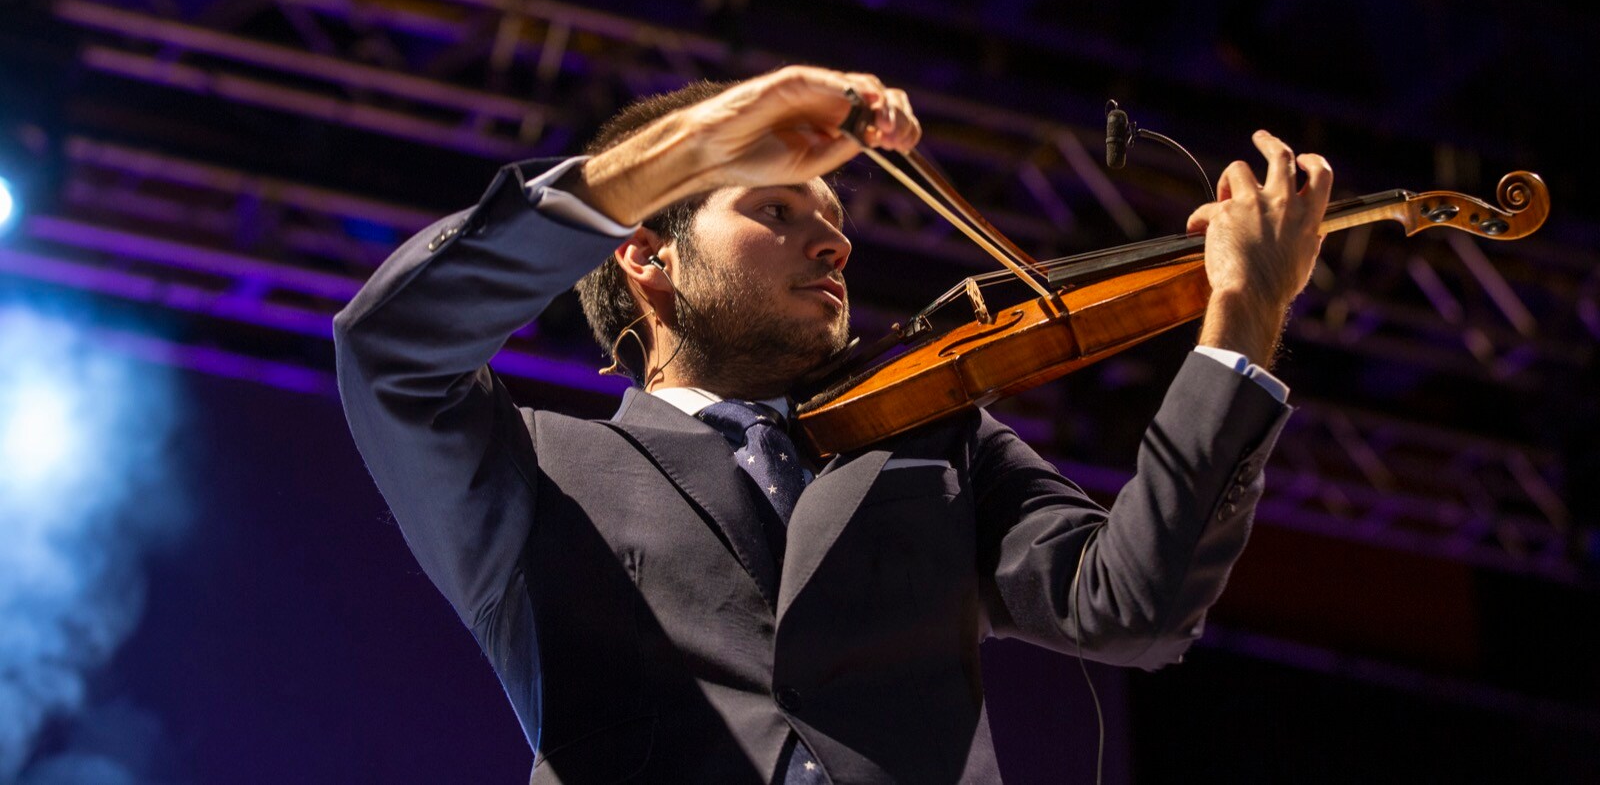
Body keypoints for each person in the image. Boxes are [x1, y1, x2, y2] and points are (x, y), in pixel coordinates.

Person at [333, 66, 1331, 784]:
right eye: (773, 207)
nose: (832, 239)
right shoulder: (537, 470)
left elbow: (1130, 603)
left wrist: (1243, 314)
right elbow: (393, 344)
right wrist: (692, 144)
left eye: (834, 221)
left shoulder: (936, 440)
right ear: (647, 254)